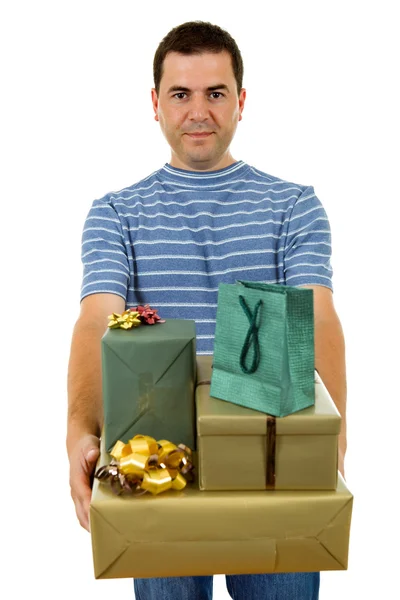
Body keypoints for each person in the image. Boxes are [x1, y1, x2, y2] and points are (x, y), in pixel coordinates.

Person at [67, 20, 347, 600]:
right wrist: (79, 430)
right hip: (158, 465)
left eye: (216, 93)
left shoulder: (293, 205)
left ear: (241, 101)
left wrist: (331, 438)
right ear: (155, 104)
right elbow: (96, 321)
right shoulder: (116, 213)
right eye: (181, 93)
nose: (199, 110)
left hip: (270, 456)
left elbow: (317, 313)